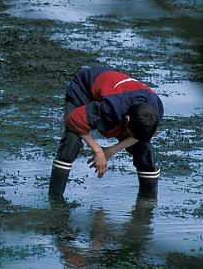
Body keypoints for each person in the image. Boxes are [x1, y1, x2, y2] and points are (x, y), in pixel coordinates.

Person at [48, 65, 164, 199]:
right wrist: (98, 150)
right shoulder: (111, 108)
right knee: (72, 141)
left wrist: (111, 151)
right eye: (130, 133)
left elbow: (139, 137)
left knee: (144, 149)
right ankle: (55, 200)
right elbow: (74, 120)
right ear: (126, 119)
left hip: (117, 95)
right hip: (84, 89)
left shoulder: (153, 113)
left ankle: (146, 205)